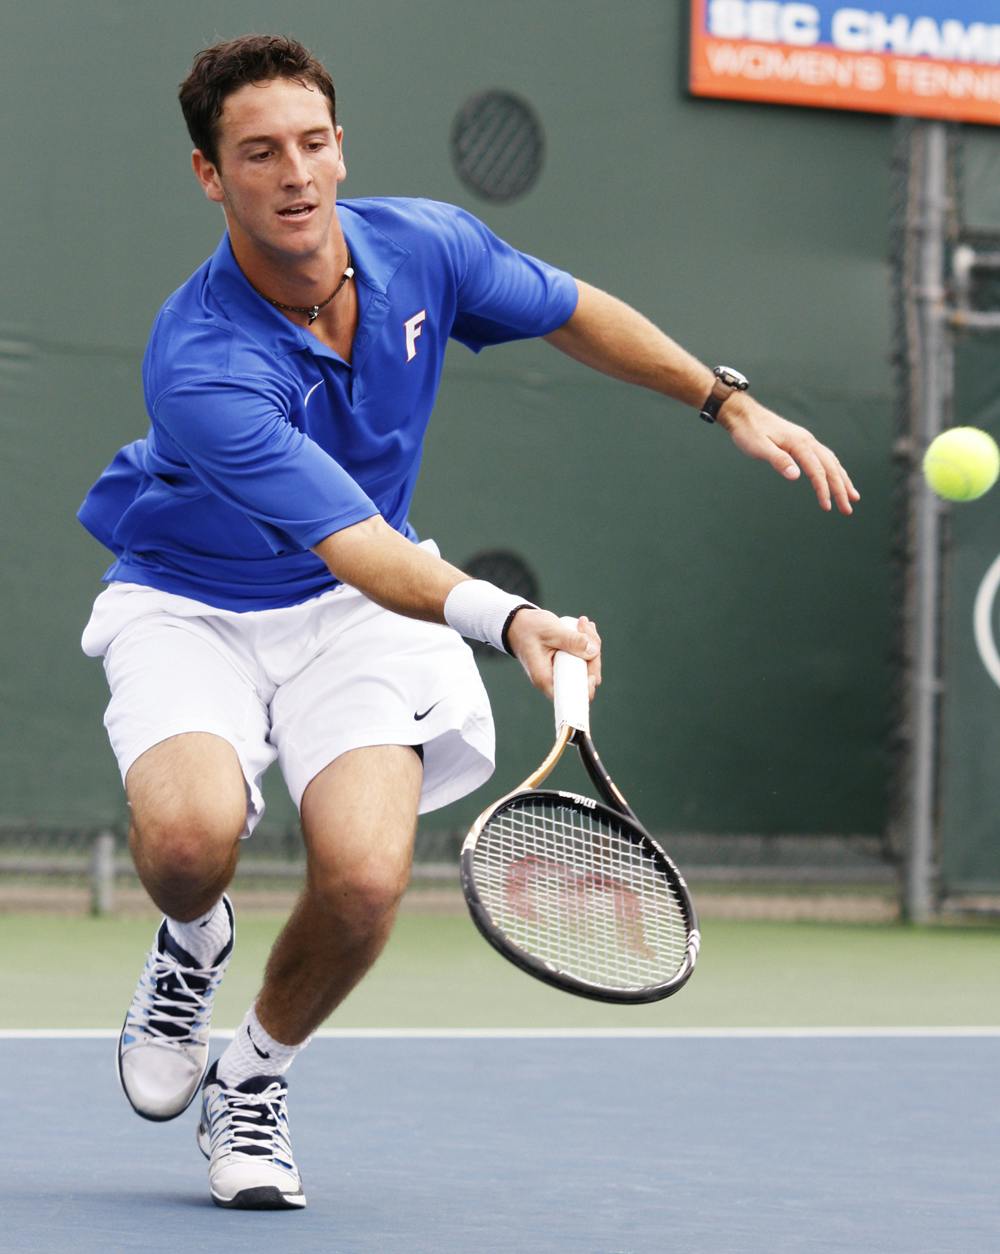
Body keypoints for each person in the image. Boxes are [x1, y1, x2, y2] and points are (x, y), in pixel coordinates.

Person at [78, 34, 859, 1213]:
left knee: (364, 882)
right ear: (210, 174)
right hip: (195, 603)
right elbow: (356, 542)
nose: (294, 173)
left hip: (354, 617)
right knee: (189, 845)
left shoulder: (426, 247)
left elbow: (571, 310)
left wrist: (721, 398)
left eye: (311, 143)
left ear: (341, 148)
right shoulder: (200, 359)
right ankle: (191, 943)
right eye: (259, 153)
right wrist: (511, 620)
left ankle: (253, 1079)